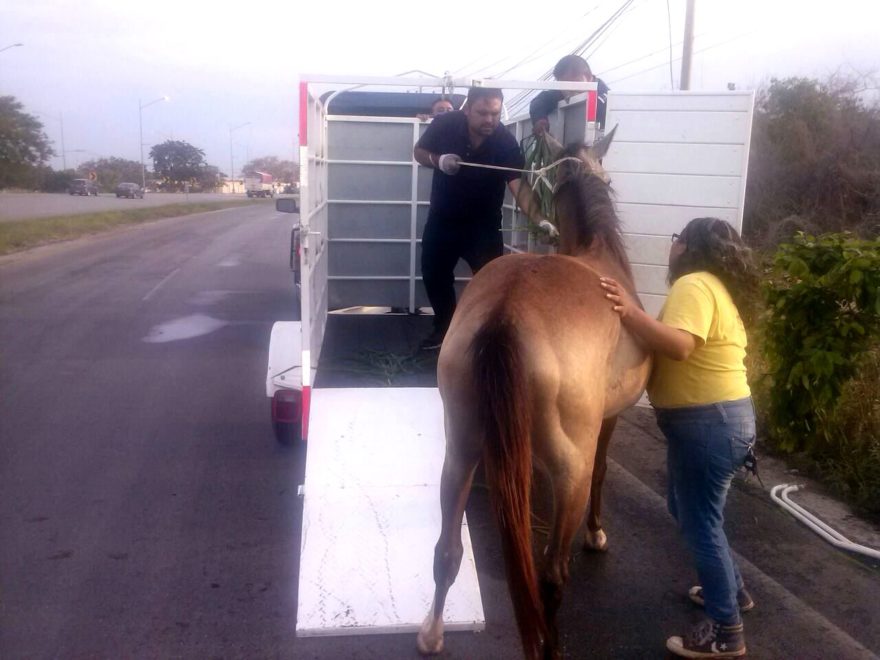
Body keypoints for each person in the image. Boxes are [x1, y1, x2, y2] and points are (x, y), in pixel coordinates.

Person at [599, 217, 759, 659]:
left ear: (688, 247)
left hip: (708, 424)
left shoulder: (695, 284)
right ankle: (733, 593)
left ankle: (727, 631)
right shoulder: (714, 287)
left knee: (699, 522)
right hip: (719, 422)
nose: (671, 247)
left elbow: (681, 345)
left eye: (676, 240)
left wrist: (628, 312)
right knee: (691, 510)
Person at [413, 86, 555, 350]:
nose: (489, 119)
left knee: (492, 282)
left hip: (484, 226)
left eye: (495, 113)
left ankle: (485, 337)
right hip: (442, 220)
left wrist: (540, 219)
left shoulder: (505, 142)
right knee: (434, 275)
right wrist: (438, 160)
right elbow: (418, 151)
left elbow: (518, 185)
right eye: (482, 113)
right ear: (467, 110)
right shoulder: (445, 124)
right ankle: (444, 330)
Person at [530, 54, 610, 136]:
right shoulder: (564, 91)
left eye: (573, 84)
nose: (568, 92)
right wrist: (540, 120)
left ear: (588, 77)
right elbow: (540, 101)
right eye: (563, 85)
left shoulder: (607, 102)